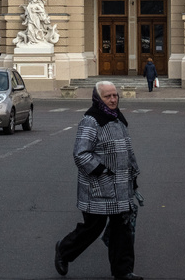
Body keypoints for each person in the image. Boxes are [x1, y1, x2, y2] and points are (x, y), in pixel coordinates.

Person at [54, 81, 142, 280]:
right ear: (98, 98)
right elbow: (81, 153)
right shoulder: (91, 120)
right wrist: (102, 170)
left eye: (115, 95)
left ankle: (123, 272)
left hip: (120, 186)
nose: (113, 99)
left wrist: (133, 175)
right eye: (107, 96)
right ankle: (64, 250)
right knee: (92, 228)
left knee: (123, 229)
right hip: (98, 186)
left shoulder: (117, 117)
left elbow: (127, 149)